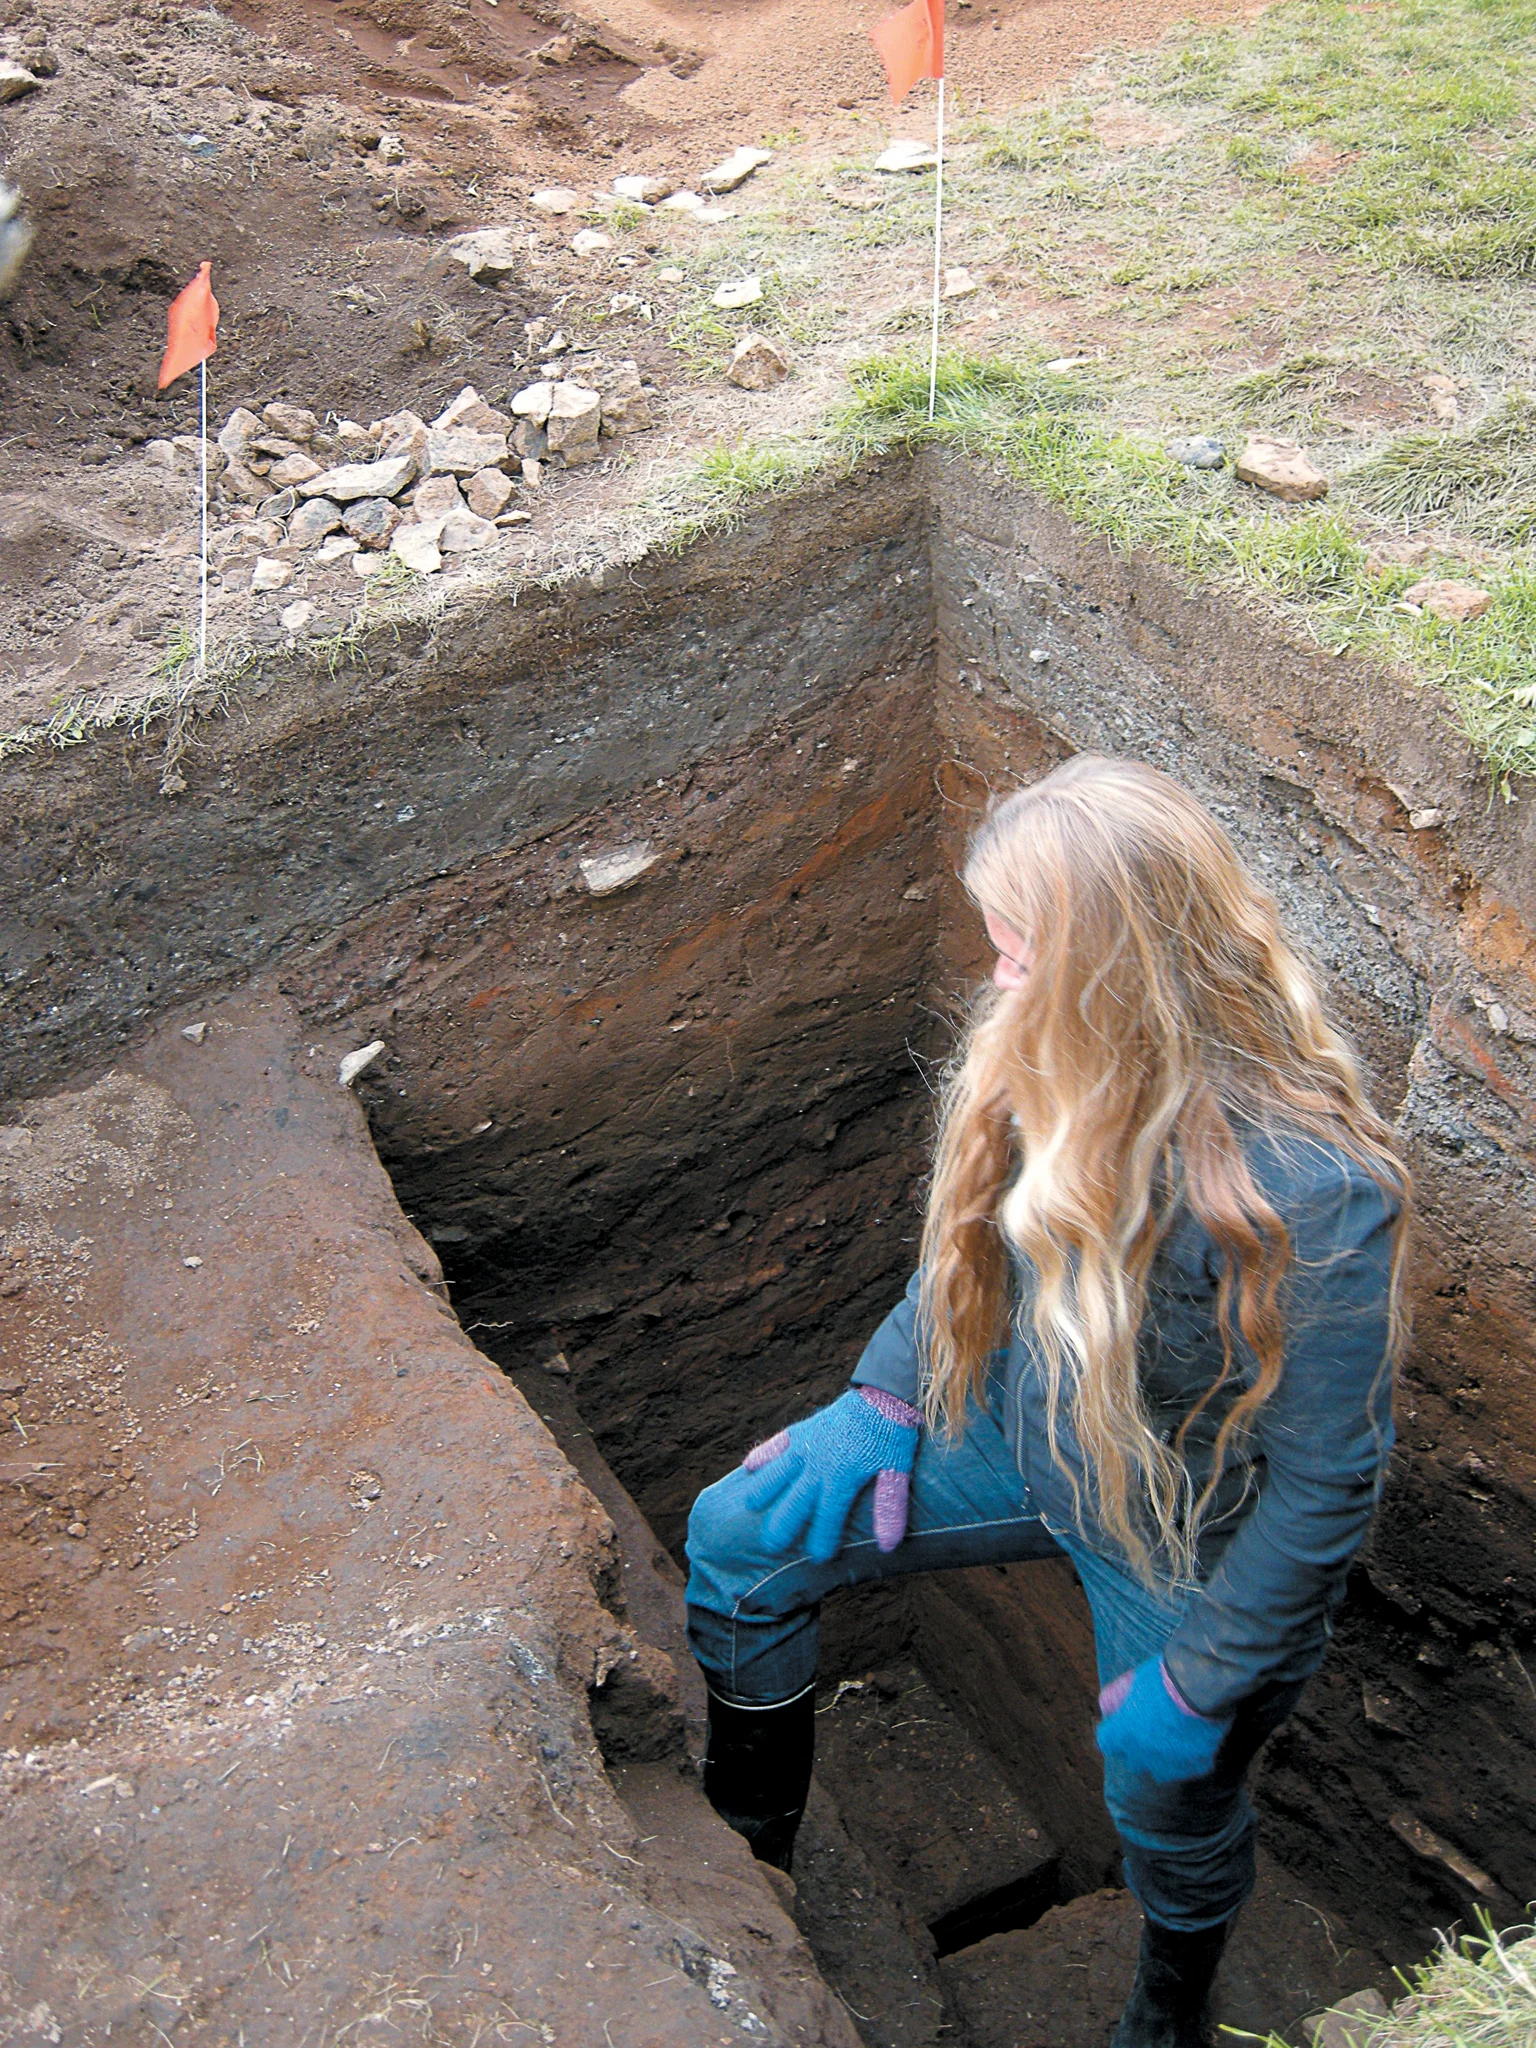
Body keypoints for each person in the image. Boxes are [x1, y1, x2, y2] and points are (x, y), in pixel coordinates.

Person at [684, 755, 1410, 2048]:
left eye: (1019, 958)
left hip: (1185, 1539)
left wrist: (1208, 1680)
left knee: (1163, 1798)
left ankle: (1172, 2006)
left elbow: (1324, 1485)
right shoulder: (1056, 1042)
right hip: (1021, 1437)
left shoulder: (1315, 1191)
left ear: (1111, 974)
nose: (998, 983)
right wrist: (885, 1396)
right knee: (740, 1538)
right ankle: (751, 1870)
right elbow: (978, 1239)